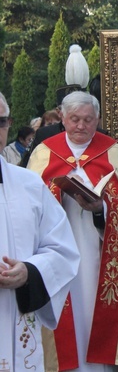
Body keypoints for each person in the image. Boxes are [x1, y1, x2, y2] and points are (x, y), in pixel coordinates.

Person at [27, 91, 118, 371]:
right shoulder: (43, 152)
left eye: (88, 120)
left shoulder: (113, 152)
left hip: (99, 255)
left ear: (97, 119)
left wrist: (101, 208)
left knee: (93, 313)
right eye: (74, 119)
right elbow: (29, 208)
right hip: (55, 253)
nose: (81, 126)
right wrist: (58, 194)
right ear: (62, 118)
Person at [0, 92, 80, 371]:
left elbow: (62, 249)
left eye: (0, 122)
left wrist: (29, 271)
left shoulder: (30, 185)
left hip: (15, 314)